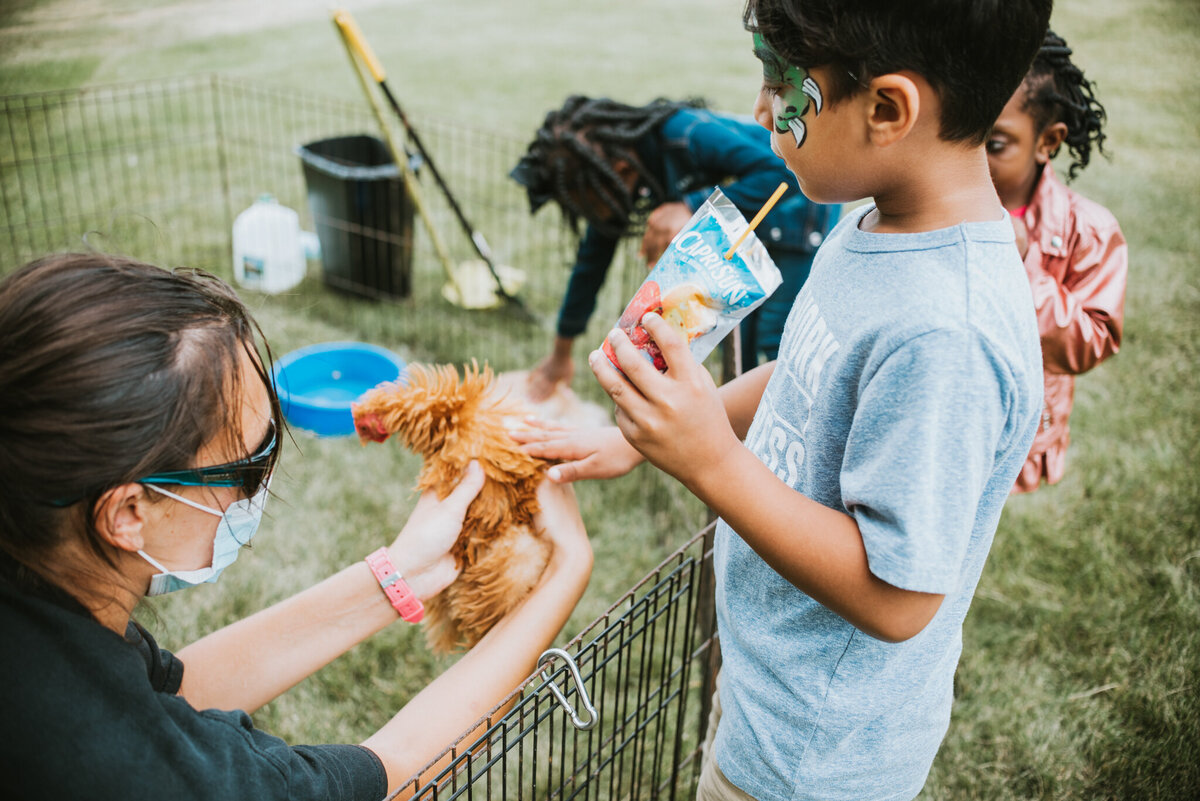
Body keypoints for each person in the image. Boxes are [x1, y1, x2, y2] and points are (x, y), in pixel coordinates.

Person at [513, 1, 1050, 799]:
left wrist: (711, 461)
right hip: (770, 695)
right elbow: (806, 370)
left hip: (814, 761)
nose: (760, 108)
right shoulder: (875, 217)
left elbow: (900, 597)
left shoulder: (948, 335)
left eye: (780, 83)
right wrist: (643, 438)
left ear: (887, 109)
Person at [0, 253, 593, 800]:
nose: (263, 484)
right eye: (250, 466)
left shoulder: (43, 605)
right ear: (127, 513)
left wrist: (403, 571)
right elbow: (397, 769)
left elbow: (174, 691)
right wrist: (568, 568)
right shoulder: (142, 776)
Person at [509, 95, 840, 401]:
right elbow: (589, 266)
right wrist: (560, 353)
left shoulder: (684, 133)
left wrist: (691, 206)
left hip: (795, 217)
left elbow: (779, 171)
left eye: (585, 202)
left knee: (774, 338)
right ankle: (750, 437)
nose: (589, 215)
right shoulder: (621, 179)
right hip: (742, 235)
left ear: (619, 170)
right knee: (740, 349)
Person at [985, 30, 1128, 494]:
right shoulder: (937, 204)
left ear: (1048, 141)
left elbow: (1095, 338)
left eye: (995, 144)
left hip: (1015, 430)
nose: (970, 158)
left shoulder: (1089, 230)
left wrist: (1026, 267)